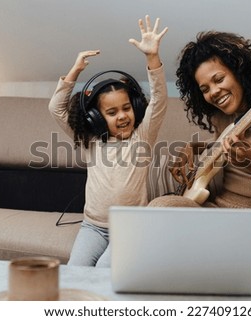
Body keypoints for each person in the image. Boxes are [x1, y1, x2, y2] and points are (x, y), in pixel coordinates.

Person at [149, 31, 251, 265]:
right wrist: (191, 148)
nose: (213, 92)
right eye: (204, 89)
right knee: (159, 208)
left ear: (240, 72)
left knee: (210, 240)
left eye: (218, 79)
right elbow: (222, 148)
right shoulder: (224, 118)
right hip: (221, 210)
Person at [49, 15, 168, 267]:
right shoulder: (91, 140)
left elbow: (159, 100)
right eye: (112, 112)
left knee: (104, 271)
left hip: (130, 226)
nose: (123, 116)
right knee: (75, 271)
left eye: (127, 108)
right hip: (92, 227)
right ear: (96, 118)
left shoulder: (142, 136)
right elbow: (56, 108)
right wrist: (76, 71)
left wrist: (151, 58)